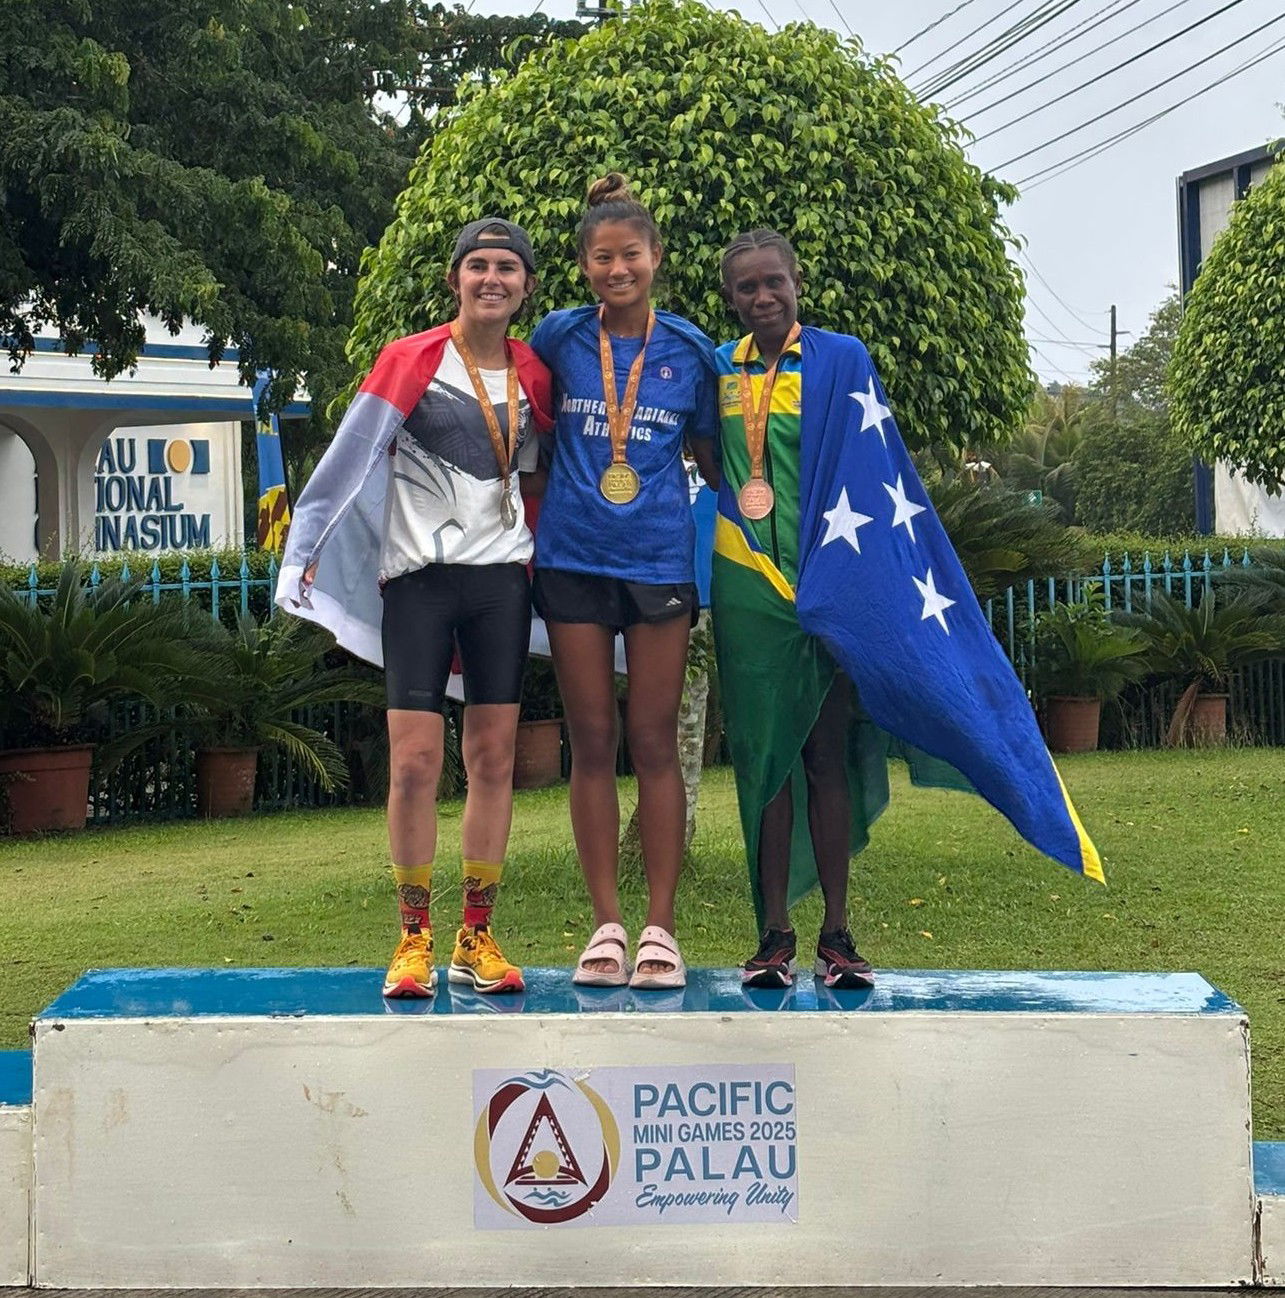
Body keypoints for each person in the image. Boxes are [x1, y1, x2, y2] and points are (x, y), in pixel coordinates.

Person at [275, 217, 553, 999]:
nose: (491, 279)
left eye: (506, 267)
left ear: (527, 285)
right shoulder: (412, 360)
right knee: (413, 765)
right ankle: (412, 940)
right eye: (477, 266)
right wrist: (303, 552)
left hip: (500, 583)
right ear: (454, 278)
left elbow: (544, 476)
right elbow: (346, 460)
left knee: (494, 761)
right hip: (421, 585)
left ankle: (476, 935)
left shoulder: (534, 374)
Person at [711, 228, 976, 991]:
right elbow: (709, 461)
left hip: (824, 585)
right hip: (747, 590)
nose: (762, 297)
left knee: (824, 754)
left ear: (797, 283)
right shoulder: (718, 371)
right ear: (730, 299)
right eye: (746, 288)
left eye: (774, 283)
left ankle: (835, 934)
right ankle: (771, 937)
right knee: (764, 766)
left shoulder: (840, 360)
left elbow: (870, 471)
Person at [530, 174, 719, 990]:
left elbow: (718, 462)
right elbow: (516, 419)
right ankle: (605, 924)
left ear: (655, 257)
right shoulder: (557, 338)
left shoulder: (689, 350)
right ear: (584, 266)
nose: (618, 269)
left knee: (651, 742)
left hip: (658, 565)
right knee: (593, 741)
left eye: (630, 255)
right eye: (602, 257)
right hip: (571, 558)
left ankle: (660, 930)